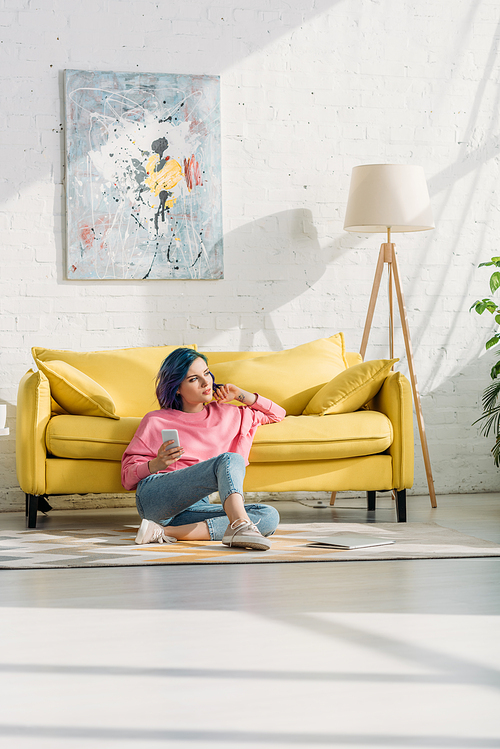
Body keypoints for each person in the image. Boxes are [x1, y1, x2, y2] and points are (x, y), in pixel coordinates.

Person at [121, 347, 286, 551]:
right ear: (177, 388)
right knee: (231, 459)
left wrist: (239, 394)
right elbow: (127, 479)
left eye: (206, 373)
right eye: (193, 379)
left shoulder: (229, 414)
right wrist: (156, 464)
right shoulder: (156, 420)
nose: (206, 382)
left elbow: (277, 414)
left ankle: (163, 532)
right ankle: (240, 525)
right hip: (157, 497)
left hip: (196, 507)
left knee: (268, 516)